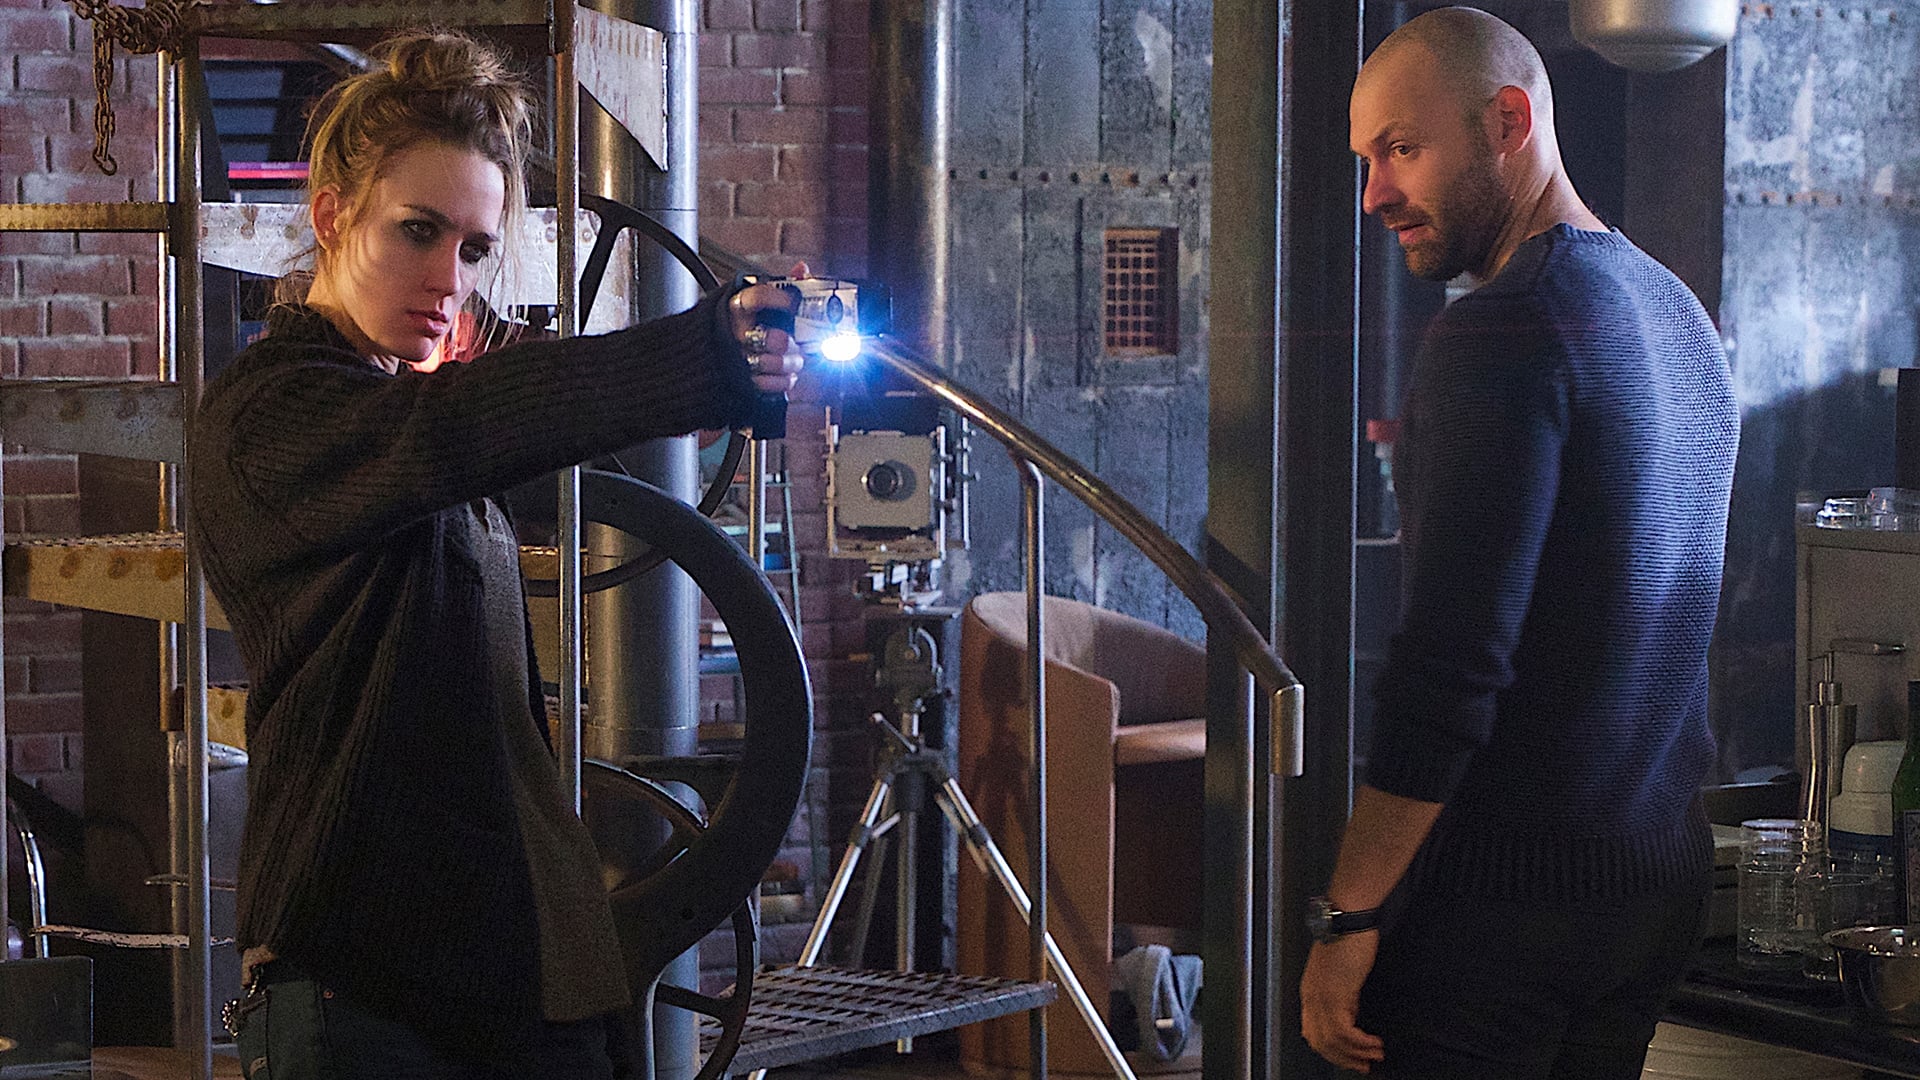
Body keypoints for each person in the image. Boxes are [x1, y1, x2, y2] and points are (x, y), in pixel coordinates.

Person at [188, 30, 802, 1079]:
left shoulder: (409, 412)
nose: (447, 280)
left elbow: (501, 421)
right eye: (417, 232)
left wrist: (737, 371)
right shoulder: (271, 417)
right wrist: (704, 353)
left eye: (474, 250)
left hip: (515, 973)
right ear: (331, 217)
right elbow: (453, 431)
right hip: (361, 983)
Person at [1299, 8, 1739, 1077]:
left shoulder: (1503, 327)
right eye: (1366, 161)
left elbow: (1451, 667)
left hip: (1501, 913)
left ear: (1507, 121)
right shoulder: (1680, 315)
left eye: (1402, 149)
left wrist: (1347, 914)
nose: (1375, 194)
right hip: (1649, 890)